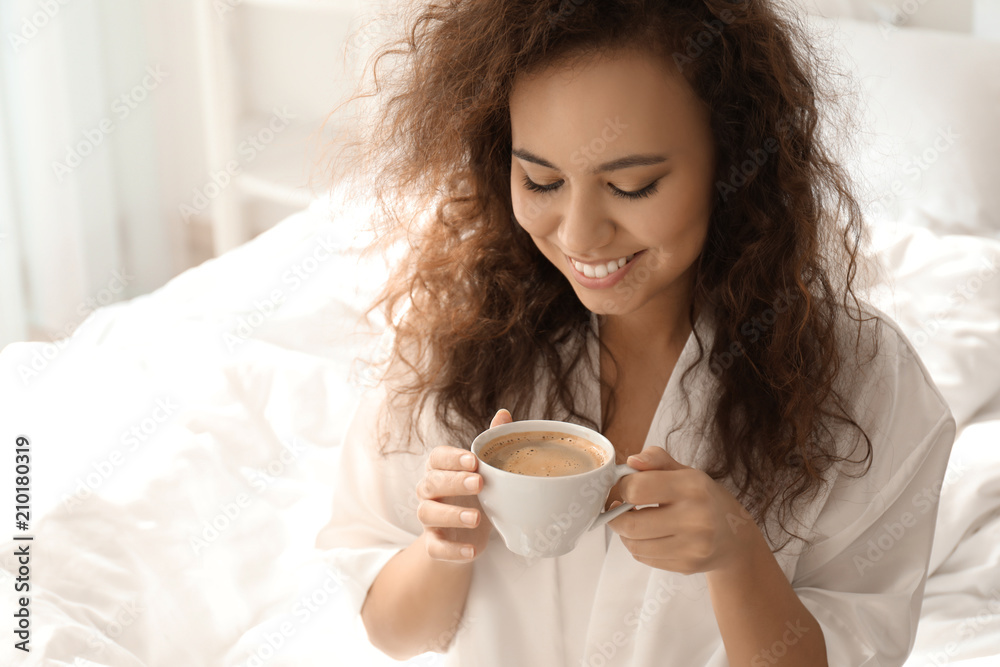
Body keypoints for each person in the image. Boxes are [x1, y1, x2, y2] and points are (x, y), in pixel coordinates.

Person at [315, 1, 956, 665]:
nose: (578, 234)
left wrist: (738, 557)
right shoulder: (457, 340)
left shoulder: (863, 383)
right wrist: (442, 548)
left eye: (633, 185)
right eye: (540, 179)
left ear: (735, 163)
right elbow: (391, 630)